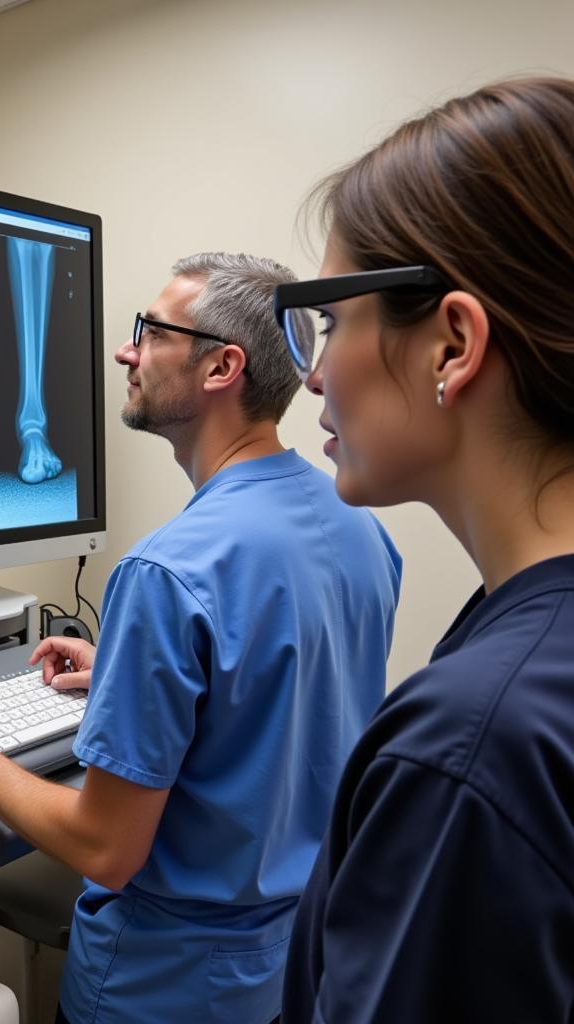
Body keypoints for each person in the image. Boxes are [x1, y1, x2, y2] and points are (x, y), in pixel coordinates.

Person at [0, 252, 402, 1023]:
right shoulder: (357, 526)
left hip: (169, 988)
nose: (126, 350)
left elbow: (106, 848)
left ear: (222, 368)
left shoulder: (166, 573)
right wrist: (130, 668)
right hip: (292, 968)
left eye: (149, 331)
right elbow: (286, 690)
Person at [273, 77, 574, 1023]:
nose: (314, 372)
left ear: (452, 344)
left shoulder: (472, 749)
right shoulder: (518, 659)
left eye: (329, 320)